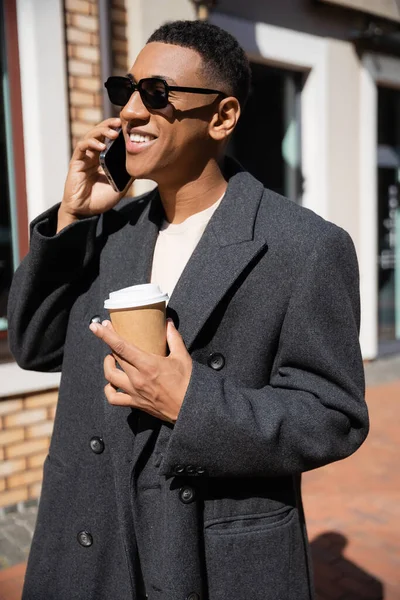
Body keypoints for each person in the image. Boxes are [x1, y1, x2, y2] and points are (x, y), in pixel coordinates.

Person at [8, 20, 369, 600]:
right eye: (124, 90)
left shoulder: (303, 245)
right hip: (87, 544)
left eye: (156, 95)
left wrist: (193, 403)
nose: (128, 110)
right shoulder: (109, 230)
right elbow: (35, 345)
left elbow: (333, 415)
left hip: (207, 554)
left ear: (222, 117)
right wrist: (73, 218)